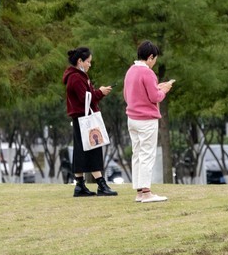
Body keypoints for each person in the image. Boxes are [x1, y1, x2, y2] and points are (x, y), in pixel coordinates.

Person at [124, 40, 174, 203]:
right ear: (150, 57)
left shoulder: (131, 71)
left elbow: (128, 94)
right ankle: (146, 192)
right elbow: (154, 97)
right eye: (155, 59)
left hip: (132, 118)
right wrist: (164, 90)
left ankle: (139, 191)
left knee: (137, 154)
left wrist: (157, 88)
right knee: (147, 154)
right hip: (146, 119)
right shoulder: (148, 73)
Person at [63, 47, 117, 197]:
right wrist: (100, 92)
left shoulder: (77, 76)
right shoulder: (76, 77)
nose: (89, 65)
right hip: (84, 119)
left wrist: (98, 92)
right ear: (80, 61)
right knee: (93, 148)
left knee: (81, 151)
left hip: (80, 118)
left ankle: (80, 185)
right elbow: (86, 98)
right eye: (88, 62)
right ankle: (100, 183)